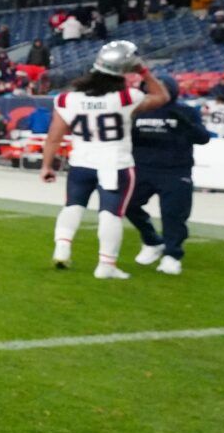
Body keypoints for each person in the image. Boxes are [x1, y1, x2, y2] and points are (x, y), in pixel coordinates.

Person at [41, 40, 171, 278]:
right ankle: (106, 265)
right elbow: (162, 97)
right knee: (110, 214)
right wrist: (143, 71)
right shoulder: (125, 97)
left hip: (81, 162)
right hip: (114, 163)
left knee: (73, 206)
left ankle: (62, 247)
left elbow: (53, 137)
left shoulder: (67, 99)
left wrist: (46, 165)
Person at [125, 76, 210, 277]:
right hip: (141, 168)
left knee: (173, 214)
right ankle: (152, 241)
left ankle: (172, 255)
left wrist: (187, 124)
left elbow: (203, 138)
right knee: (127, 203)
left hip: (176, 171)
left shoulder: (186, 111)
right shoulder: (136, 111)